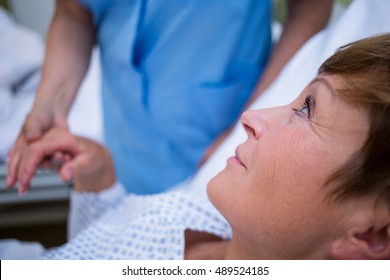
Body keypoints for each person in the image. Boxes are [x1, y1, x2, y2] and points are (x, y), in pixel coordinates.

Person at [7, 33, 390, 259]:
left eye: (308, 109)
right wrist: (99, 181)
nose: (251, 118)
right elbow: (96, 247)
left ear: (372, 236)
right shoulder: (208, 222)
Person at [6, 0, 334, 194]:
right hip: (124, 149)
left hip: (219, 139)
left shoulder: (245, 154)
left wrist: (252, 116)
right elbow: (74, 11)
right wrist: (48, 105)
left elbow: (311, 5)